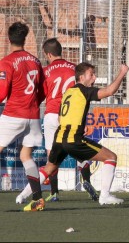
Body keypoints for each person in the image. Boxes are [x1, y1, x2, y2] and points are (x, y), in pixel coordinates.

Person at [29, 61, 129, 206]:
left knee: (49, 168)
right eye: (91, 74)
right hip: (73, 139)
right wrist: (122, 73)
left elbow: (60, 117)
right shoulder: (84, 91)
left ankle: (25, 195)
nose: (94, 78)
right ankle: (104, 195)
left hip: (60, 136)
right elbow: (109, 91)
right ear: (82, 77)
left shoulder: (68, 91)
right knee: (111, 157)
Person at [15, 38, 97, 204]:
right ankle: (86, 180)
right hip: (72, 114)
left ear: (49, 54)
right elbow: (83, 95)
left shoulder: (46, 71)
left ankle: (54, 192)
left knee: (52, 156)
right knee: (79, 148)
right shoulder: (74, 69)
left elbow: (40, 94)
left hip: (52, 114)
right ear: (61, 51)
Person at [0, 22, 45, 211]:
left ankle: (37, 197)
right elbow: (43, 90)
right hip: (34, 116)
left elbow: (1, 93)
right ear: (25, 39)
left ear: (9, 39)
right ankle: (38, 198)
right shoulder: (35, 61)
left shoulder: (7, 62)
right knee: (26, 155)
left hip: (14, 114)